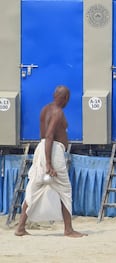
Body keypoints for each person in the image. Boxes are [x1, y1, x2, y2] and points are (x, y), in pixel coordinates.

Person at [15, 86, 86, 238]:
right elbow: (49, 136)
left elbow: (45, 137)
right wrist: (49, 163)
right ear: (65, 98)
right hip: (52, 151)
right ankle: (68, 229)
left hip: (41, 149)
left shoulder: (45, 109)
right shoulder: (58, 112)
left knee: (34, 187)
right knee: (64, 190)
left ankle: (20, 227)